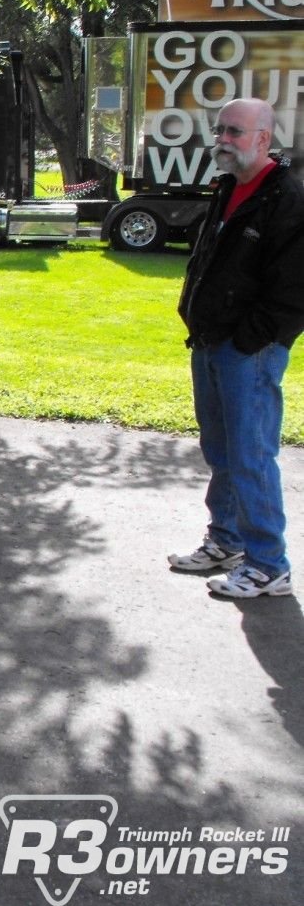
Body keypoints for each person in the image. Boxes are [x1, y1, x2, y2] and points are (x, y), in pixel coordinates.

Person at [168, 97, 304, 597]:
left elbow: (293, 291)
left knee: (251, 454)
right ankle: (226, 540)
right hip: (210, 342)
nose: (222, 140)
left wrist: (250, 339)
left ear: (263, 139)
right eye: (220, 130)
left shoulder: (287, 199)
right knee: (221, 449)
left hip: (249, 350)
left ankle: (269, 565)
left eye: (235, 132)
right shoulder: (228, 188)